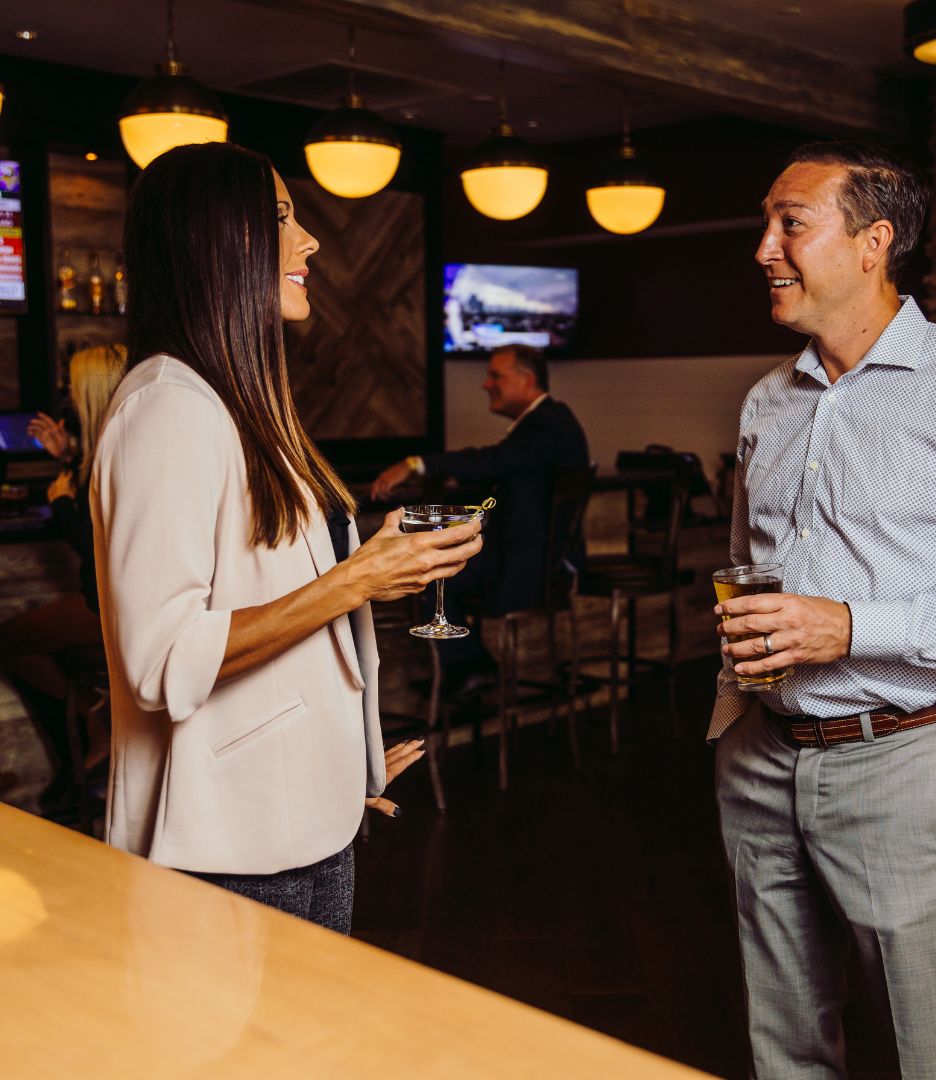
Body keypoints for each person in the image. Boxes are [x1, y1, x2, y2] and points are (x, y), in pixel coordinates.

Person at [711, 141, 936, 1079]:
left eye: (791, 223)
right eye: (766, 223)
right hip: (761, 756)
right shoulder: (767, 400)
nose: (764, 247)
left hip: (908, 762)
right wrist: (735, 701)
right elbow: (751, 566)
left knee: (934, 1050)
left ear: (874, 242)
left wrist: (850, 626)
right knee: (782, 1042)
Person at [91, 143, 482, 933]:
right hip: (225, 841)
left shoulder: (235, 404)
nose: (309, 241)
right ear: (216, 242)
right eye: (282, 218)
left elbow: (268, 606)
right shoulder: (168, 410)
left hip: (299, 816)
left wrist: (344, 755)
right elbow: (161, 663)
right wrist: (359, 577)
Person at [372, 344, 589, 691]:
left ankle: (470, 670)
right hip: (541, 563)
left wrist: (416, 464)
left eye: (495, 375)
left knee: (429, 575)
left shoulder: (545, 423)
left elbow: (493, 460)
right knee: (442, 568)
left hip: (529, 570)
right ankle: (473, 668)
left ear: (526, 379)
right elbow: (506, 469)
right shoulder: (552, 422)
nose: (486, 384)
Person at [0, 344, 126, 817]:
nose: (66, 395)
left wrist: (61, 504)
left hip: (109, 608)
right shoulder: (115, 443)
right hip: (106, 602)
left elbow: (102, 552)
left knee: (9, 641)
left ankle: (97, 723)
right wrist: (68, 454)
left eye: (73, 387)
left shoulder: (116, 454)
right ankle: (93, 731)